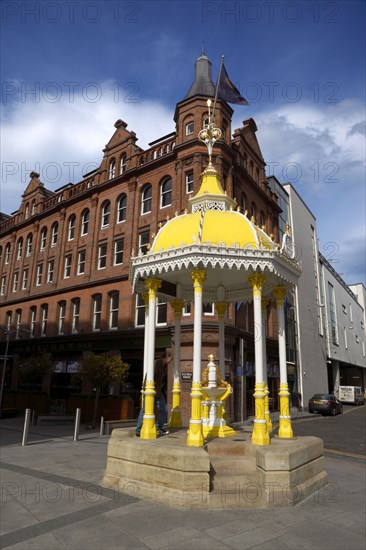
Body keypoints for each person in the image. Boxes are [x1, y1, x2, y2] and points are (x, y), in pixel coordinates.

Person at [135, 351, 173, 437]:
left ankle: (158, 427)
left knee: (163, 409)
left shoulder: (165, 366)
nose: (171, 360)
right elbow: (151, 376)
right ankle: (138, 430)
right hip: (151, 390)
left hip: (158, 392)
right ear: (167, 356)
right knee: (145, 410)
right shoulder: (157, 363)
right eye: (171, 358)